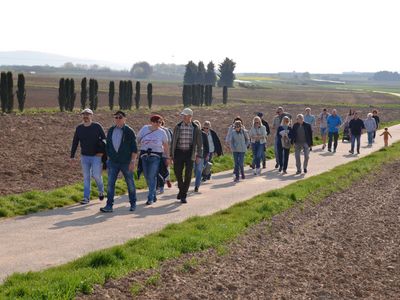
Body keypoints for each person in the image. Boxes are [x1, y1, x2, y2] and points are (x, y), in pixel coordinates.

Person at [100, 111, 138, 213]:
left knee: (130, 183)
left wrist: (133, 161)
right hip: (113, 162)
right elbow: (107, 146)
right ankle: (109, 206)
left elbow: (134, 148)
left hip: (126, 162)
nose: (117, 119)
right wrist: (108, 158)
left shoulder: (129, 131)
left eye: (120, 117)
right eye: (116, 117)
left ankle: (133, 203)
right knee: (110, 184)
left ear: (125, 119)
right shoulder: (111, 130)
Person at [70, 108, 106, 205]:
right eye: (84, 115)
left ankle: (101, 190)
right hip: (84, 156)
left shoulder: (97, 126)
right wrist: (72, 156)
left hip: (96, 156)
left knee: (97, 176)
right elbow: (75, 142)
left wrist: (102, 152)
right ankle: (86, 197)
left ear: (91, 116)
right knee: (86, 177)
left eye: (88, 114)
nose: (85, 116)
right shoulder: (79, 128)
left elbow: (104, 140)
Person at [170, 108, 203, 204]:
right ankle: (181, 189)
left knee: (188, 175)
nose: (183, 117)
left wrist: (199, 156)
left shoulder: (195, 128)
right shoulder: (178, 126)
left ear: (190, 117)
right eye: (183, 115)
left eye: (185, 115)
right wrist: (171, 154)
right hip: (178, 152)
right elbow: (173, 142)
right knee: (177, 173)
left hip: (190, 153)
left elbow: (200, 144)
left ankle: (183, 195)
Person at [137, 115, 170, 205]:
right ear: (152, 121)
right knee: (147, 176)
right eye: (157, 122)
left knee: (152, 176)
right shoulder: (144, 129)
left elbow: (166, 146)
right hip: (144, 155)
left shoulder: (162, 132)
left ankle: (150, 198)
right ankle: (153, 194)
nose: (158, 124)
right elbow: (138, 139)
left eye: (160, 122)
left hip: (156, 156)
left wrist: (167, 157)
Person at [193, 120, 209, 192]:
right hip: (192, 155)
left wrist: (206, 155)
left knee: (199, 170)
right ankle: (198, 179)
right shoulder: (190, 134)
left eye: (197, 125)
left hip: (201, 155)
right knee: (195, 170)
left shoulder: (204, 135)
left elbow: (207, 146)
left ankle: (197, 186)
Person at [158, 119, 173, 193]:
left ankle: (162, 182)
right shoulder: (166, 130)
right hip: (162, 153)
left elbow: (169, 141)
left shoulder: (165, 131)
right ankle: (166, 179)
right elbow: (170, 141)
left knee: (163, 168)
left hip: (163, 153)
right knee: (165, 168)